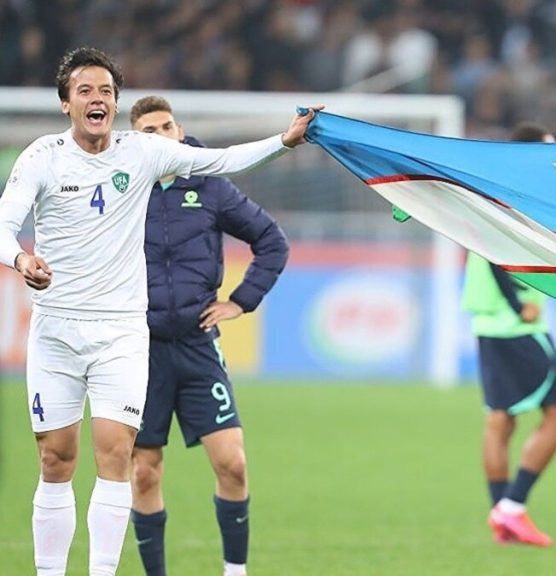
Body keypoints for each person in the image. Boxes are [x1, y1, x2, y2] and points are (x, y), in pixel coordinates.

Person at [0, 47, 318, 575]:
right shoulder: (42, 157)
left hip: (122, 334)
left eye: (106, 91)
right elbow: (3, 222)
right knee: (55, 458)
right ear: (65, 104)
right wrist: (19, 258)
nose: (97, 98)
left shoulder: (143, 153)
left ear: (115, 102)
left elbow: (222, 160)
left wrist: (283, 142)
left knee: (115, 457)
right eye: (85, 90)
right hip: (56, 329)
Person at [126, 95, 290, 576]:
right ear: (134, 142)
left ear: (179, 132)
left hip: (198, 347)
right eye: (149, 131)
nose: (162, 135)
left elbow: (272, 241)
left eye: (167, 126)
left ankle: (235, 572)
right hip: (139, 351)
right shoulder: (120, 189)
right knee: (144, 471)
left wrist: (241, 301)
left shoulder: (211, 186)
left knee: (232, 464)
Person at [462, 121, 556, 548]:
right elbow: (495, 251)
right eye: (548, 147)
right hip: (516, 323)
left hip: (488, 321)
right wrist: (517, 305)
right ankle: (511, 507)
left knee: (500, 419)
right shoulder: (513, 193)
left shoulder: (495, 189)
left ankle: (501, 516)